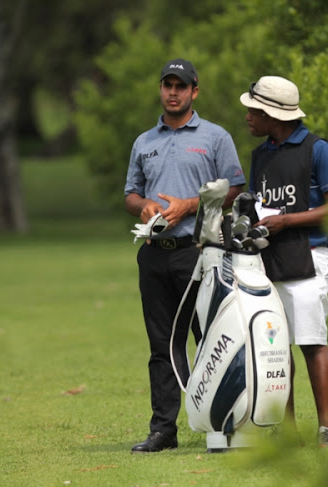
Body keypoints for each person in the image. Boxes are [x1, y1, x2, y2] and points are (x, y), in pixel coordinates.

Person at [125, 58, 245, 453]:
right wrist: (142, 206)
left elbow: (234, 189)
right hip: (155, 255)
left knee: (211, 340)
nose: (172, 92)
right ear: (161, 89)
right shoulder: (145, 141)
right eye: (167, 85)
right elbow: (130, 193)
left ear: (195, 90)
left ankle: (222, 423)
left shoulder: (214, 137)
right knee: (161, 346)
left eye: (181, 86)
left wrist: (189, 205)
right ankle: (163, 430)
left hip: (200, 254)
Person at [239, 76, 328, 447]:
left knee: (312, 341)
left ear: (272, 113)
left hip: (310, 257)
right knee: (275, 346)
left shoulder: (319, 150)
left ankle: (326, 428)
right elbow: (256, 205)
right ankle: (289, 431)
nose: (248, 117)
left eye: (253, 110)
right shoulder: (261, 155)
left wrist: (286, 221)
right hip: (269, 261)